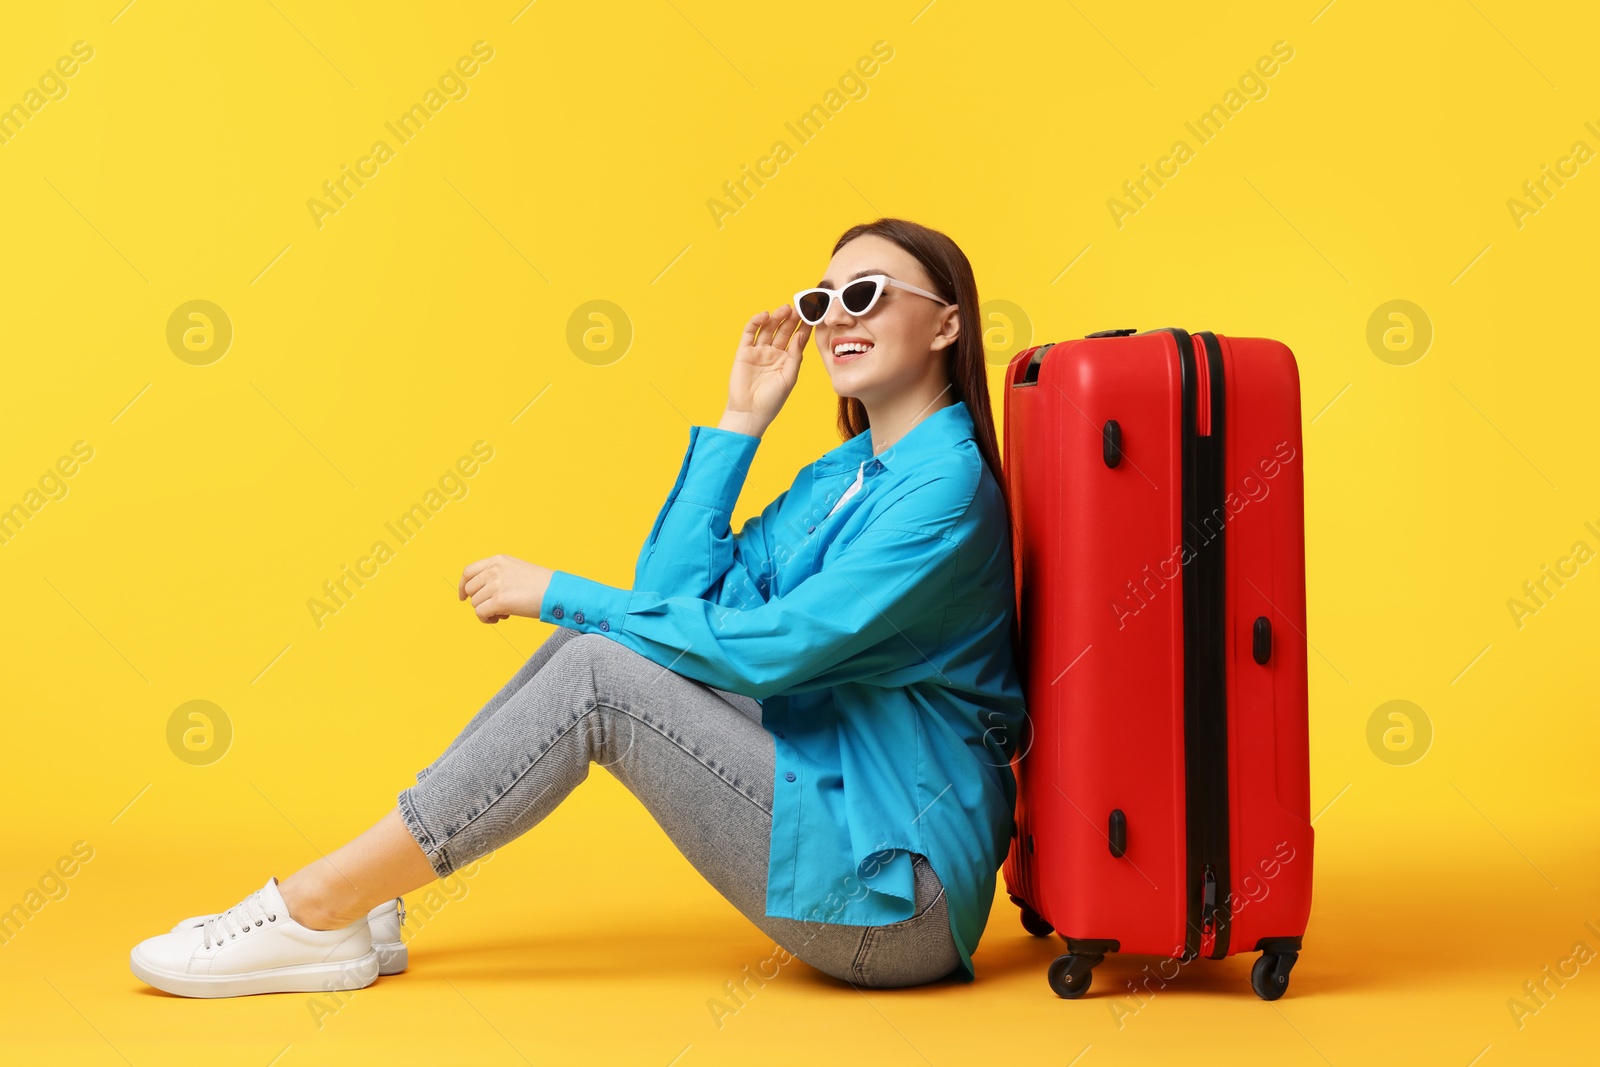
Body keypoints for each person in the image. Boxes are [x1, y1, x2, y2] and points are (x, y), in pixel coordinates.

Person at [128, 217, 1027, 997]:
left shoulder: (943, 490)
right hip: (834, 798)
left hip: (894, 897)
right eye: (821, 300)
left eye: (865, 293)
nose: (836, 319)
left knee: (598, 665)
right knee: (595, 653)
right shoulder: (844, 473)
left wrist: (555, 591)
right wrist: (740, 421)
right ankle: (362, 897)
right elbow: (672, 604)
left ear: (947, 322)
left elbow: (772, 651)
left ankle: (321, 904)